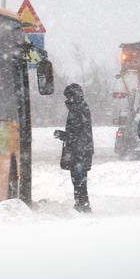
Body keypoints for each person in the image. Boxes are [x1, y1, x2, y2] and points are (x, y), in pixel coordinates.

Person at [54, 83, 94, 212]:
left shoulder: (78, 110)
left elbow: (77, 134)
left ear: (75, 96)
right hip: (81, 149)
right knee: (79, 179)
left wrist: (63, 135)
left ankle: (82, 205)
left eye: (69, 96)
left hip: (79, 150)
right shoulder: (80, 108)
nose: (67, 100)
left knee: (78, 179)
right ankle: (81, 204)